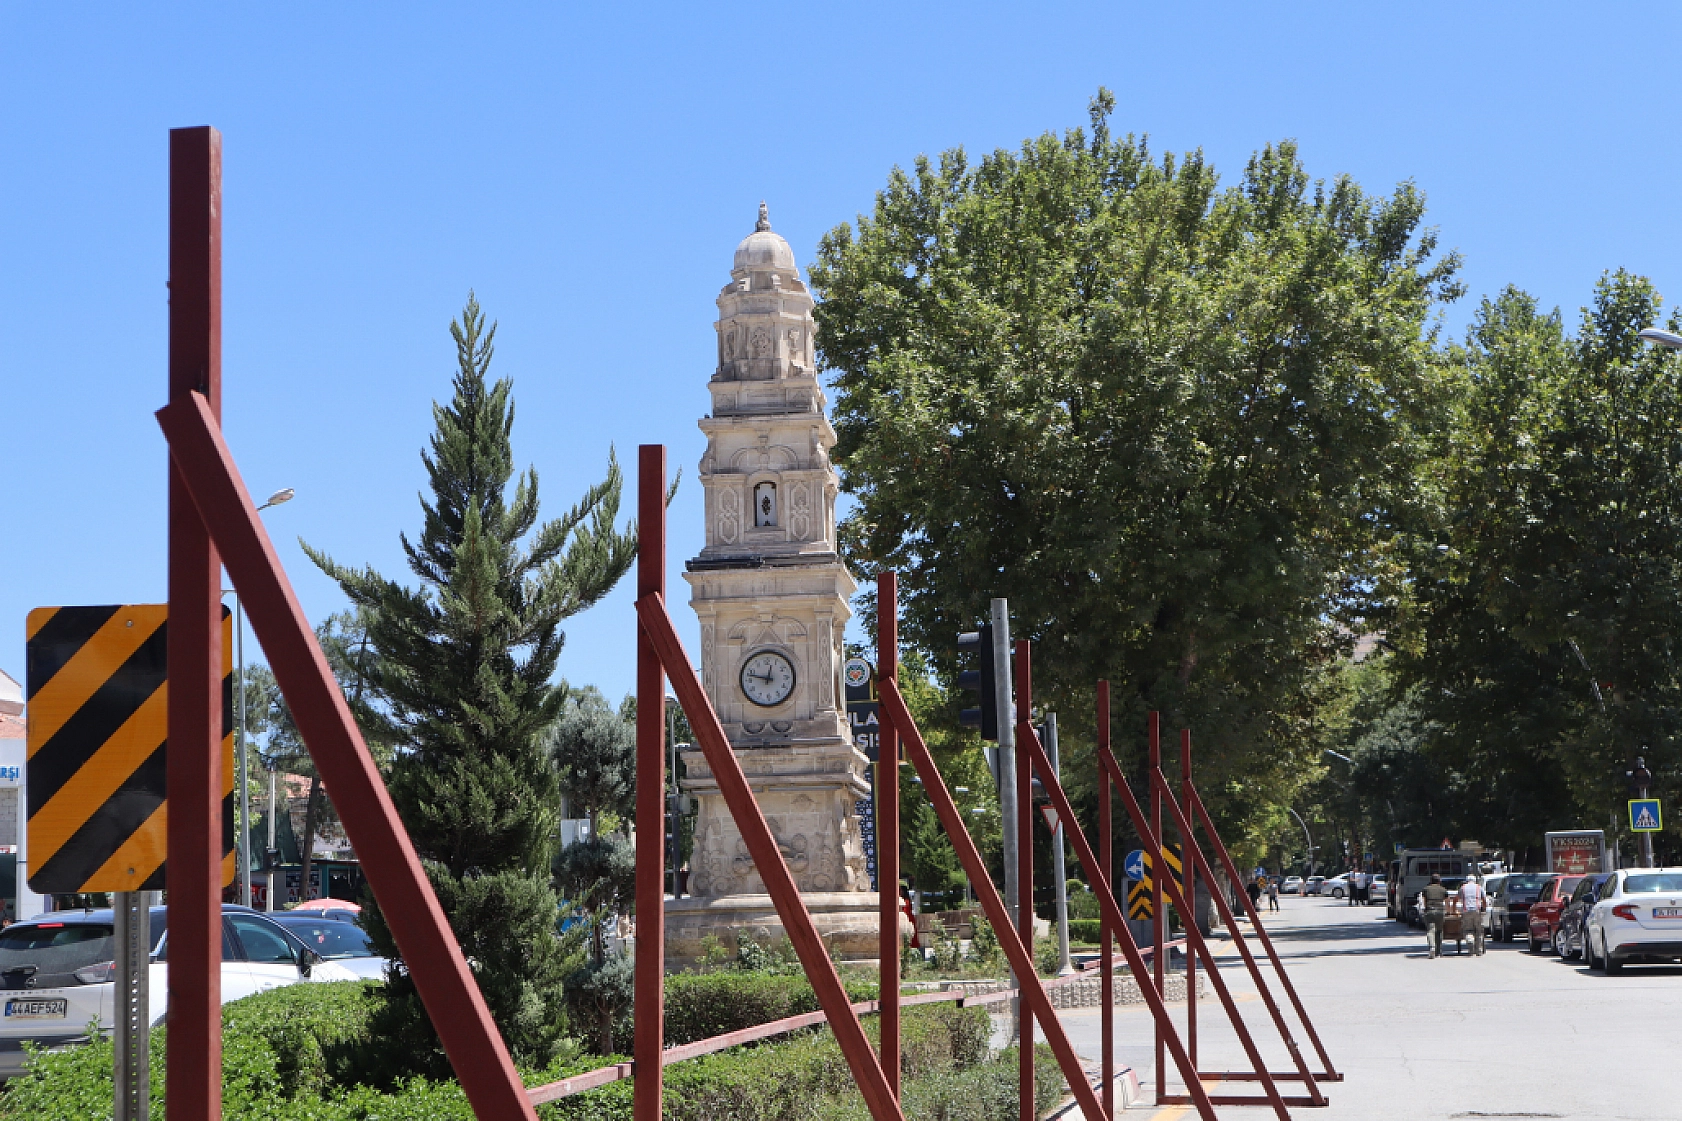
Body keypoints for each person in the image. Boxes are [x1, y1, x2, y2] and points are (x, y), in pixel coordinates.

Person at [1418, 873, 1450, 958]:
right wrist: (1447, 911)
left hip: (1430, 910)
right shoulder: (1443, 889)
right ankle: (1439, 951)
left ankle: (1432, 947)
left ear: (1431, 881)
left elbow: (1424, 900)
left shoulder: (1426, 889)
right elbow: (1447, 901)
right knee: (1439, 931)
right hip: (1440, 911)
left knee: (1431, 930)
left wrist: (1424, 909)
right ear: (1439, 881)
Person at [1459, 875, 1488, 955]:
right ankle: (1478, 950)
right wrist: (1484, 909)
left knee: (1468, 930)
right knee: (1479, 931)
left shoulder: (1463, 888)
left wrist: (1455, 910)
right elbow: (1484, 899)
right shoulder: (1479, 887)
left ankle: (1470, 941)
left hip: (1466, 911)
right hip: (1477, 910)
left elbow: (1457, 899)